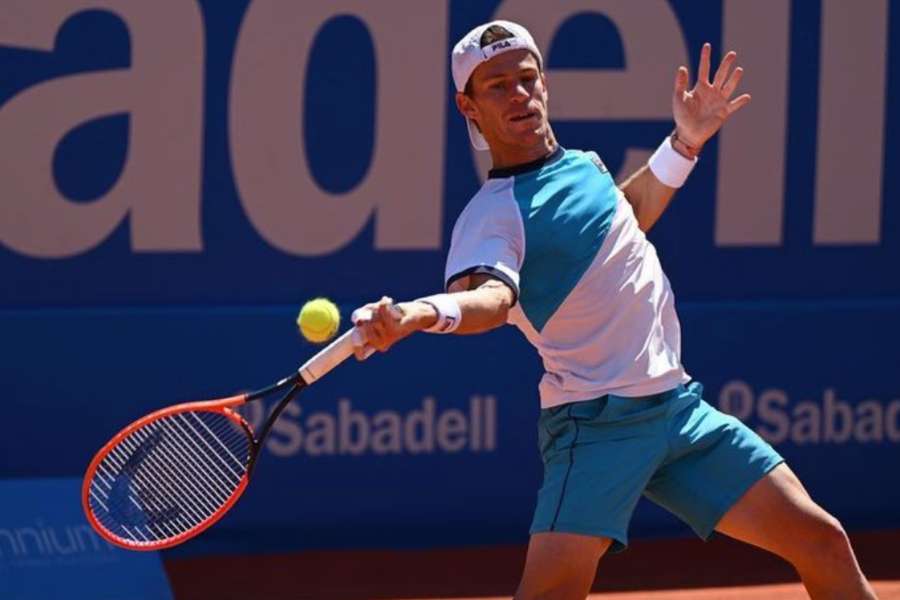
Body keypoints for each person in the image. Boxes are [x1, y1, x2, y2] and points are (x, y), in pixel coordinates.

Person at [352, 20, 876, 600]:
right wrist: (420, 314)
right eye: (497, 86)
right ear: (467, 106)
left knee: (822, 540)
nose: (519, 95)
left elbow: (624, 219)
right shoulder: (492, 217)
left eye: (527, 79)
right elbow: (491, 300)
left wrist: (686, 143)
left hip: (679, 412)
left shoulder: (584, 167)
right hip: (597, 428)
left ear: (545, 84)